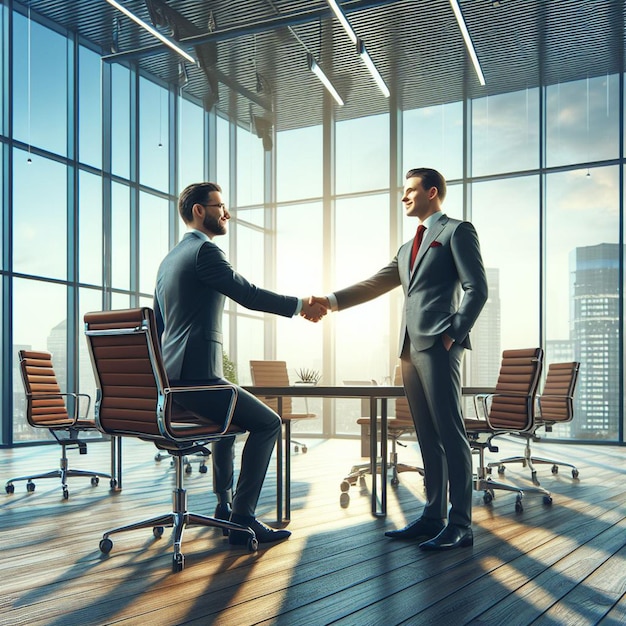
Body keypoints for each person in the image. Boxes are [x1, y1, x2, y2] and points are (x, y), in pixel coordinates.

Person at [310, 167, 487, 551]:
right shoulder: (408, 248)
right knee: (426, 435)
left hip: (439, 345)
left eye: (410, 190)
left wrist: (452, 333)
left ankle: (461, 524)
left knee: (449, 432)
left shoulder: (457, 231)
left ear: (433, 192)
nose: (404, 197)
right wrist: (330, 302)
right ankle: (432, 515)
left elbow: (477, 288)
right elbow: (375, 283)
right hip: (409, 349)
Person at [154, 182, 326, 546]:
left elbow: (159, 328)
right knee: (268, 423)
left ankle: (224, 507)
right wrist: (300, 305)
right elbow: (246, 293)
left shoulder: (168, 262)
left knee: (228, 424)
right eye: (220, 206)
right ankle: (244, 518)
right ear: (200, 210)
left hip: (171, 381)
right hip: (196, 378)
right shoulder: (204, 253)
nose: (226, 213)